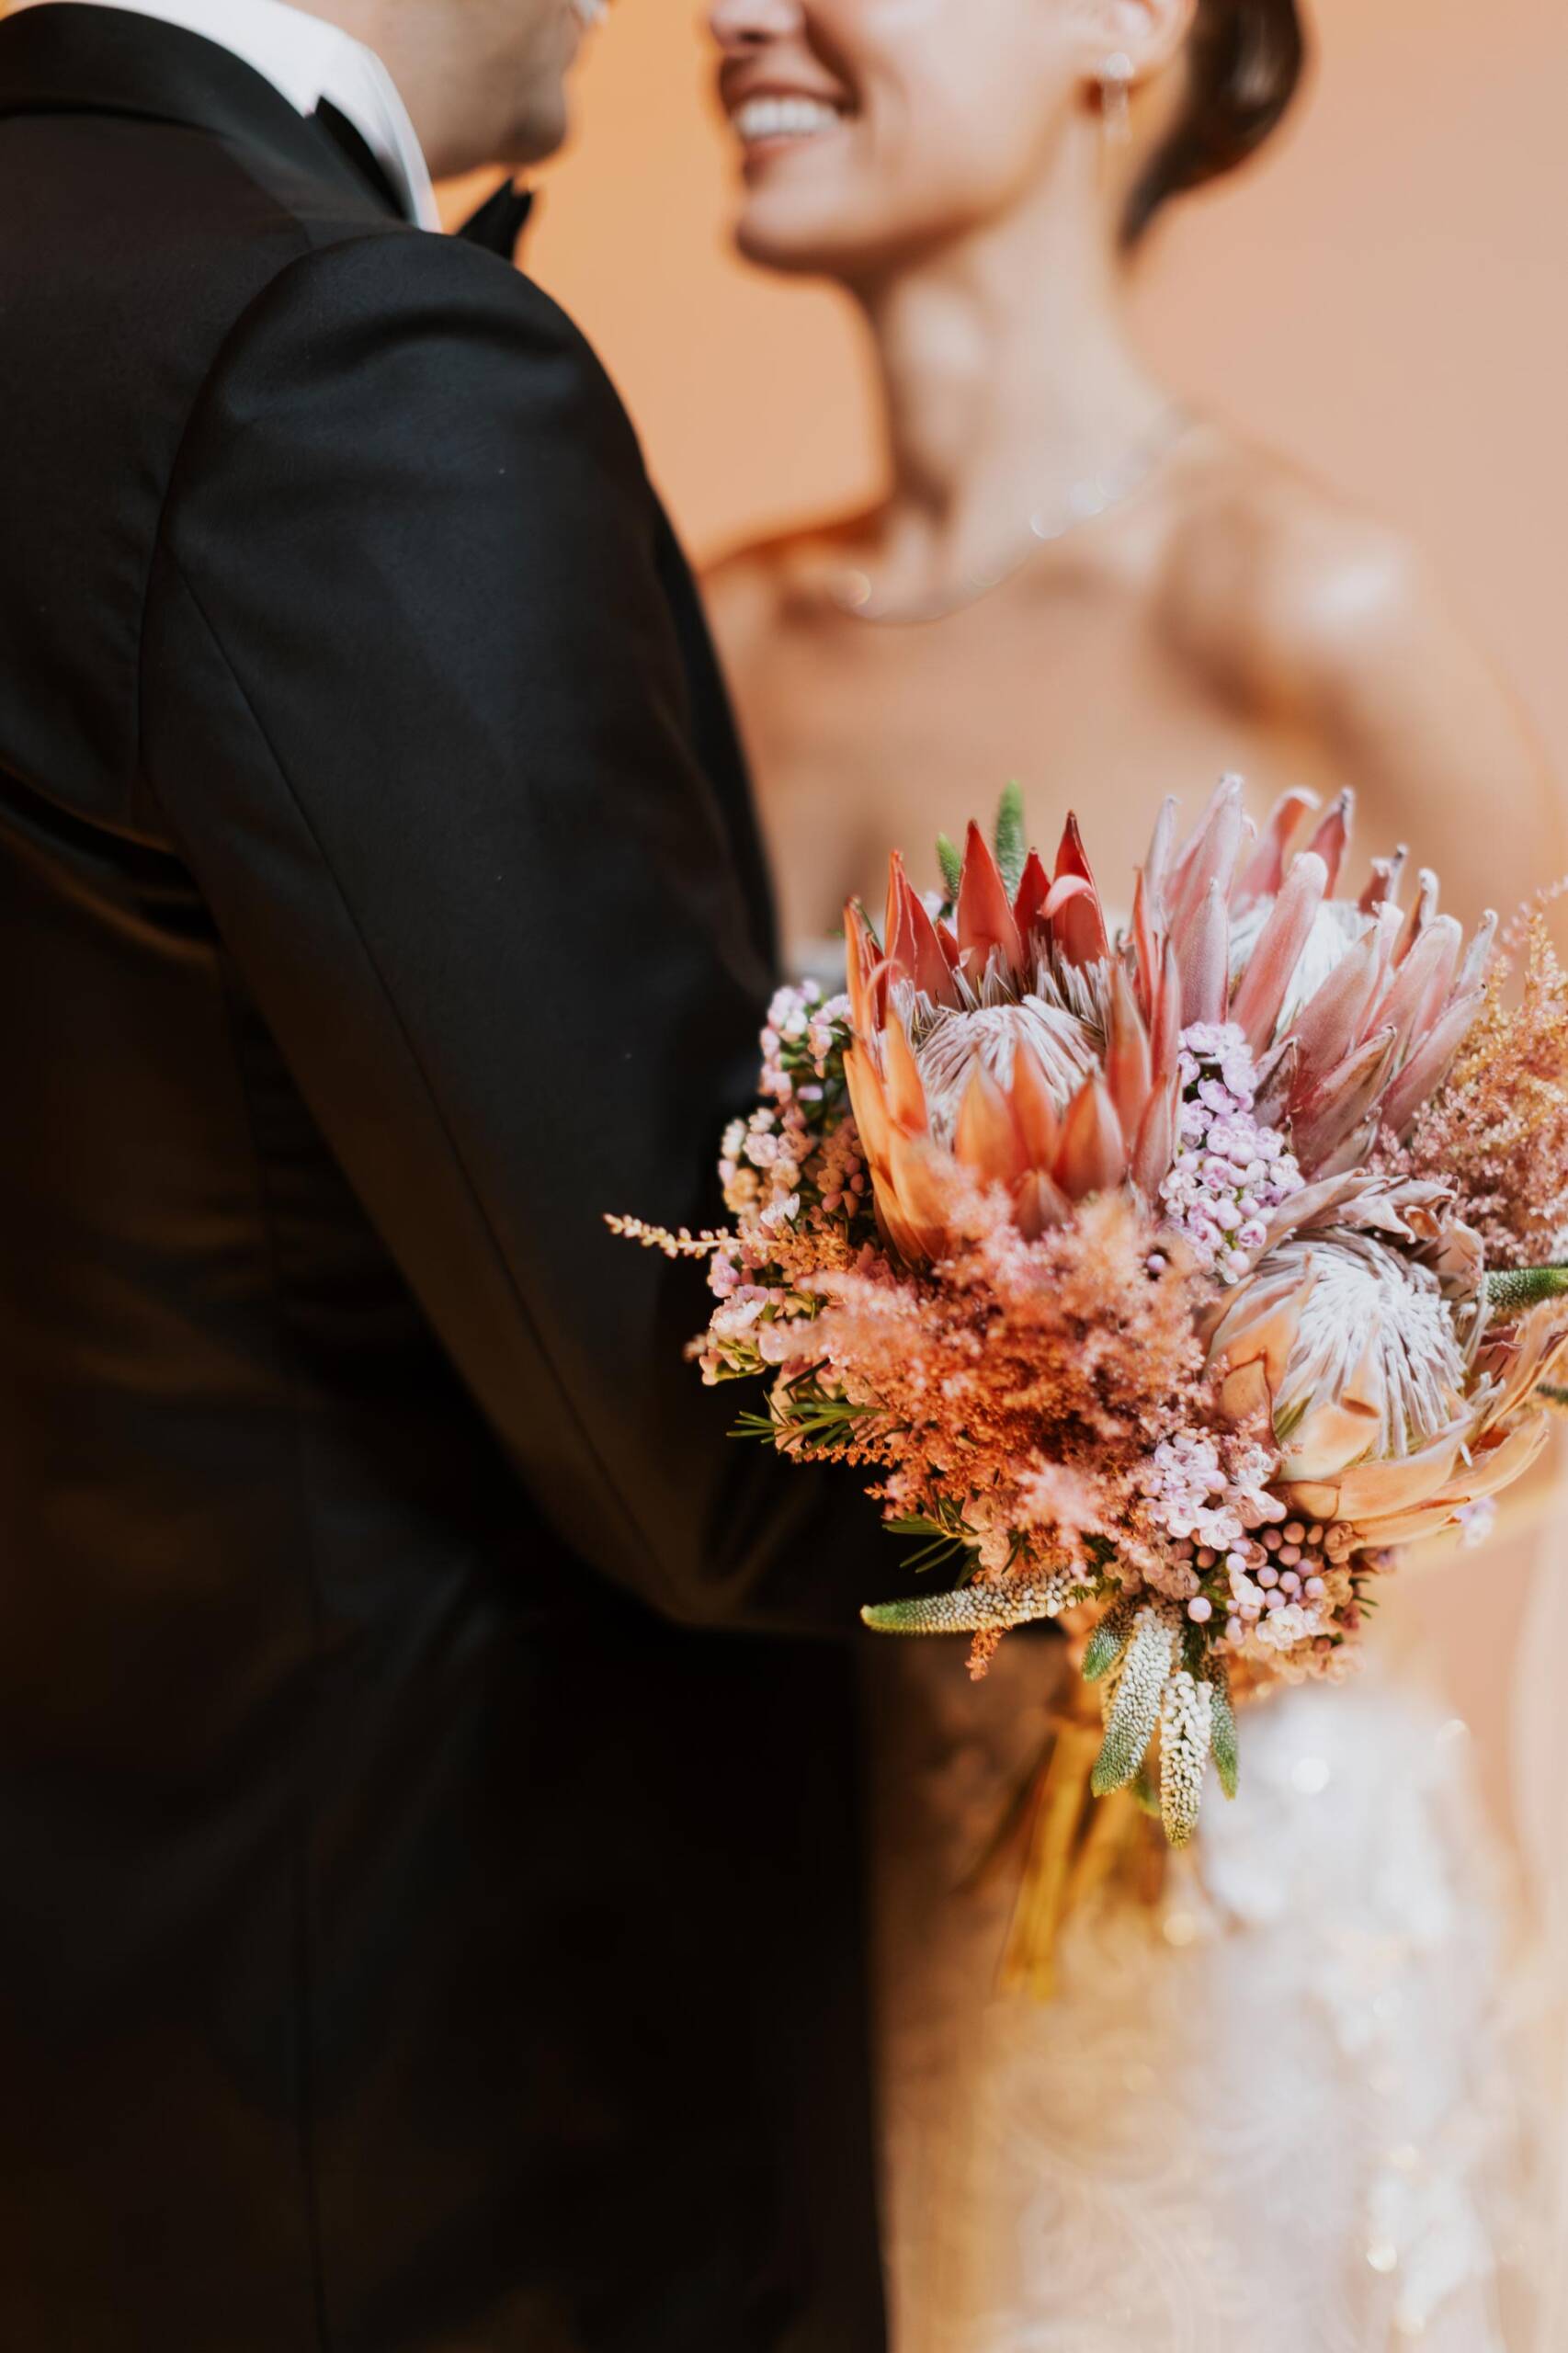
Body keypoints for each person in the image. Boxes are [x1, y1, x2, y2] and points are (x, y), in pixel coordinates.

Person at [0, 2, 891, 2345]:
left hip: (104, 2054)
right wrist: (1185, 1413)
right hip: (453, 2112)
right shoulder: (332, 354)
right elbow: (697, 1422)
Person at [702, 0, 1566, 2344]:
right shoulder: (708, 646)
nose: (735, 11)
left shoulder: (1312, 624)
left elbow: (1543, 1299)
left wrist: (1235, 1502)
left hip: (1227, 1911)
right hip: (807, 1894)